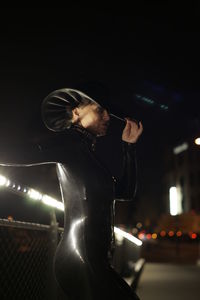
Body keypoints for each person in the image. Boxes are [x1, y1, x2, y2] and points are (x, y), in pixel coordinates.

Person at [1, 88, 143, 299]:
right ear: (76, 112)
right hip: (80, 259)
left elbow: (126, 192)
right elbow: (18, 153)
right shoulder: (69, 143)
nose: (107, 117)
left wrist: (129, 148)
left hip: (96, 260)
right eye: (100, 110)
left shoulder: (88, 155)